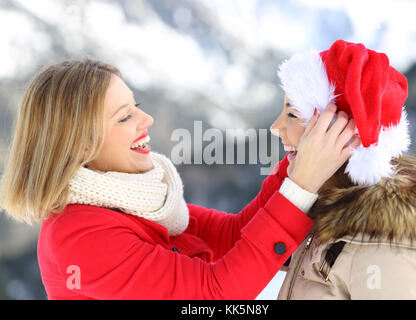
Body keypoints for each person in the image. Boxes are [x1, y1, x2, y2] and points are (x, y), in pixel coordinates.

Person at [0, 59, 360, 299]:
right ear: (78, 145)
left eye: (136, 105)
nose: (147, 119)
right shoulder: (80, 237)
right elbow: (214, 295)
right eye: (124, 118)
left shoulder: (135, 198)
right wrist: (301, 186)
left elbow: (233, 236)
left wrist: (297, 163)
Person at [272, 39, 416, 300]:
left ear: (344, 131)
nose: (275, 127)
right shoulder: (330, 208)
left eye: (293, 114)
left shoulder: (387, 247)